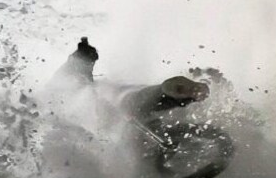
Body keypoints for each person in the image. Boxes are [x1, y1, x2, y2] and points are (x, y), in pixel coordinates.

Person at [52, 37, 210, 121]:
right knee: (128, 95)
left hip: (107, 99)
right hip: (113, 93)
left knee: (122, 99)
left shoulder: (81, 88)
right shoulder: (72, 86)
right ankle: (169, 92)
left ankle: (169, 91)